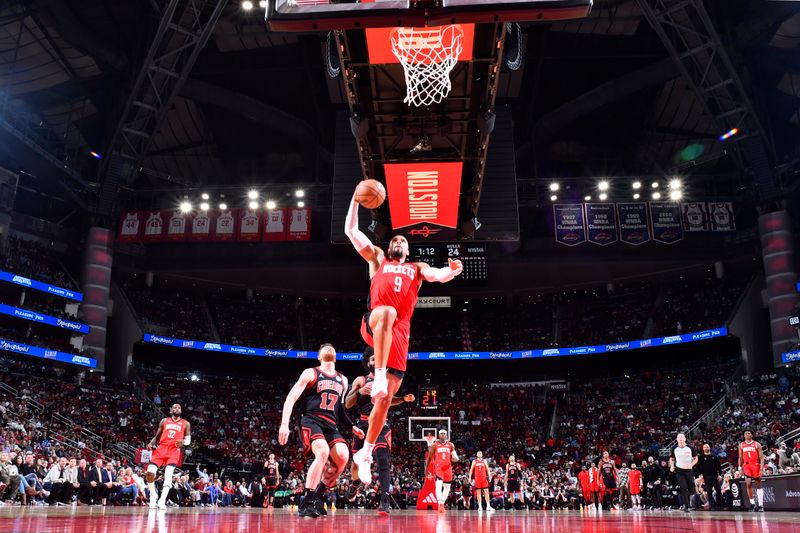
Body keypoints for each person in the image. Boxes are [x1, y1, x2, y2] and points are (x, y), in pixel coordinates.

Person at [345, 189, 463, 483]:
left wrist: (452, 271)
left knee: (383, 402)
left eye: (403, 240)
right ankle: (380, 373)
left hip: (399, 339)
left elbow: (438, 275)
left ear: (408, 251)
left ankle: (366, 453)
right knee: (385, 312)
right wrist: (355, 200)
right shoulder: (377, 260)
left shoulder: (417, 268)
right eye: (395, 238)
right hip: (374, 323)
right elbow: (351, 230)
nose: (398, 241)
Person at [278, 343, 365, 518]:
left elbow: (340, 410)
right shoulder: (311, 372)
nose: (328, 347)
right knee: (323, 452)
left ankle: (317, 497)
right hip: (311, 419)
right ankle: (306, 502)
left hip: (331, 425)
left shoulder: (343, 379)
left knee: (343, 455)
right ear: (318, 356)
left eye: (331, 347)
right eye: (324, 347)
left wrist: (352, 426)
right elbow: (292, 397)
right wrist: (284, 424)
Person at [345, 346, 414, 516]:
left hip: (381, 424)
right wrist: (359, 392)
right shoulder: (361, 380)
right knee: (356, 463)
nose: (377, 362)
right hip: (363, 423)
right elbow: (347, 403)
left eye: (379, 358)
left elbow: (390, 401)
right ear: (367, 363)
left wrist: (403, 399)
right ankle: (355, 484)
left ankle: (384, 499)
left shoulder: (387, 380)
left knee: (383, 459)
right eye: (373, 359)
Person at [146, 403, 192, 509]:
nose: (177, 409)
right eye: (175, 407)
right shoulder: (164, 421)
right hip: (161, 448)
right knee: (150, 472)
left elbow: (188, 440)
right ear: (171, 410)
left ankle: (162, 500)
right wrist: (151, 444)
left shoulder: (185, 423)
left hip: (174, 450)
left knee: (168, 475)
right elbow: (157, 436)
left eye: (179, 407)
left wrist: (183, 442)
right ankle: (153, 494)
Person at [426, 429, 459, 513]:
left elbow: (455, 457)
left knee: (447, 487)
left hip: (448, 467)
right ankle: (440, 503)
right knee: (439, 484)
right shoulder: (435, 445)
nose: (443, 435)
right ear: (439, 435)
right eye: (441, 434)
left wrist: (455, 458)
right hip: (438, 467)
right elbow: (429, 457)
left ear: (447, 435)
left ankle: (442, 504)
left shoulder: (451, 445)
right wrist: (426, 469)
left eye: (444, 433)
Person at [738, 429, 765, 512]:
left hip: (756, 465)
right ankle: (752, 504)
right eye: (745, 433)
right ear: (744, 435)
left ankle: (760, 505)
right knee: (748, 483)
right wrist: (739, 467)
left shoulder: (757, 444)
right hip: (746, 466)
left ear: (752, 435)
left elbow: (761, 457)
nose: (747, 434)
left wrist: (761, 468)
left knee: (758, 485)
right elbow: (740, 457)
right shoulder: (741, 445)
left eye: (749, 433)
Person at [673, 433, 697, 513]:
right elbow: (672, 458)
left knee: (692, 489)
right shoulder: (674, 448)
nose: (680, 438)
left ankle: (691, 497)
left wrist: (691, 464)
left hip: (689, 471)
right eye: (678, 437)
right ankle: (687, 506)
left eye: (681, 437)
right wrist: (672, 466)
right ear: (677, 439)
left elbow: (696, 458)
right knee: (684, 488)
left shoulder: (690, 448)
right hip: (680, 471)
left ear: (685, 438)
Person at [697, 442, 723, 510]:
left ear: (710, 448)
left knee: (718, 490)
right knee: (709, 491)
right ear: (703, 448)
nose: (706, 448)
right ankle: (711, 506)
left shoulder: (715, 456)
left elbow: (719, 467)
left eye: (707, 447)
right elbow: (698, 467)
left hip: (714, 476)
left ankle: (719, 505)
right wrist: (700, 475)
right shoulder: (700, 457)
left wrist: (720, 474)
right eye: (705, 447)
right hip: (706, 477)